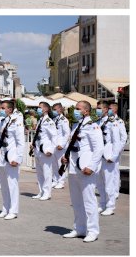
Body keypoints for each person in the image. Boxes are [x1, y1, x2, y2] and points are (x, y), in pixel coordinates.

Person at [61, 101, 103, 242]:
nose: (75, 111)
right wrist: (65, 157)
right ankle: (79, 228)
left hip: (85, 168)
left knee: (89, 201)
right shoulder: (76, 125)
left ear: (86, 111)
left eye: (78, 109)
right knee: (76, 201)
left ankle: (92, 231)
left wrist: (92, 166)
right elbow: (72, 145)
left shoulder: (92, 126)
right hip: (73, 167)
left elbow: (98, 148)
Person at [0, 100, 25, 220]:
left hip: (11, 156)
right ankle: (5, 208)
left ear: (10, 109)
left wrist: (18, 158)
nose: (1, 110)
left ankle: (13, 210)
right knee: (4, 184)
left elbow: (20, 141)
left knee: (12, 184)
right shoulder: (5, 120)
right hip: (2, 155)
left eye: (3, 108)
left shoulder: (17, 121)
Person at [96, 102, 124, 216]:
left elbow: (117, 141)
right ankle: (102, 204)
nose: (97, 110)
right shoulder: (98, 121)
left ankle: (110, 206)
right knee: (100, 183)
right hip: (99, 157)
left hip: (108, 156)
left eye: (99, 108)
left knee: (109, 183)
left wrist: (113, 156)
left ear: (106, 109)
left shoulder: (113, 123)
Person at [31, 102, 57, 200]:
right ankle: (41, 191)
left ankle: (47, 193)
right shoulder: (41, 120)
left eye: (39, 107)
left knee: (47, 172)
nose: (38, 109)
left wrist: (51, 149)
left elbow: (54, 136)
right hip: (38, 149)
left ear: (45, 109)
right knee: (39, 172)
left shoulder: (49, 121)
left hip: (45, 150)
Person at [52, 102, 71, 189]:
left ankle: (61, 181)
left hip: (61, 145)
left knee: (61, 164)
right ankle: (55, 180)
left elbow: (67, 133)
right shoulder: (55, 119)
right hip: (54, 145)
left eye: (55, 109)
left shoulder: (64, 120)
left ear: (60, 109)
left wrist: (62, 144)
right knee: (54, 164)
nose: (54, 111)